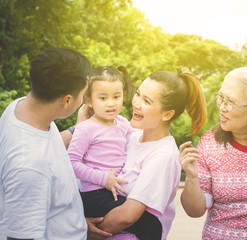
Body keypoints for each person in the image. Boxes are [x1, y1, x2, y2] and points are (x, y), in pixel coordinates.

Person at [65, 68, 207, 240]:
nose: (136, 103)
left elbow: (126, 216)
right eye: (138, 94)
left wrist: (84, 230)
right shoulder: (130, 135)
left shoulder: (163, 156)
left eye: (146, 101)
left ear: (167, 114)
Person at [0, 47, 103, 239]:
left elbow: (47, 146)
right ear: (66, 100)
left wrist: (77, 129)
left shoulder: (21, 107)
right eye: (82, 94)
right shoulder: (29, 166)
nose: (83, 100)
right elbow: (20, 236)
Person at [179, 67, 247, 239]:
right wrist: (192, 178)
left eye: (230, 102)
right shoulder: (209, 144)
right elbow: (194, 211)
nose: (222, 107)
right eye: (221, 98)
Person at [68, 66, 163, 240]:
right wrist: (103, 178)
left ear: (123, 97)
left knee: (147, 221)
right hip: (94, 195)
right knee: (151, 226)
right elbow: (71, 163)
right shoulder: (85, 129)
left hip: (115, 193)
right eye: (103, 98)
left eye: (116, 97)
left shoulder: (122, 123)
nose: (111, 103)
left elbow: (139, 139)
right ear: (89, 100)